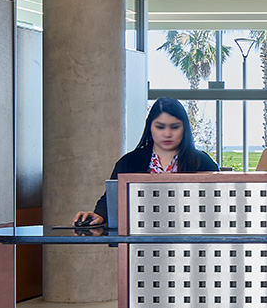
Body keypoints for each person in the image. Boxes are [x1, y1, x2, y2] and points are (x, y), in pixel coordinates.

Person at [73, 97, 220, 226]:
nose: (167, 133)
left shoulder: (203, 162)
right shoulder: (129, 162)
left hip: (192, 242)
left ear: (185, 128)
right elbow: (111, 199)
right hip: (140, 243)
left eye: (175, 127)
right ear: (150, 127)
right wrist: (100, 215)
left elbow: (219, 201)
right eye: (160, 127)